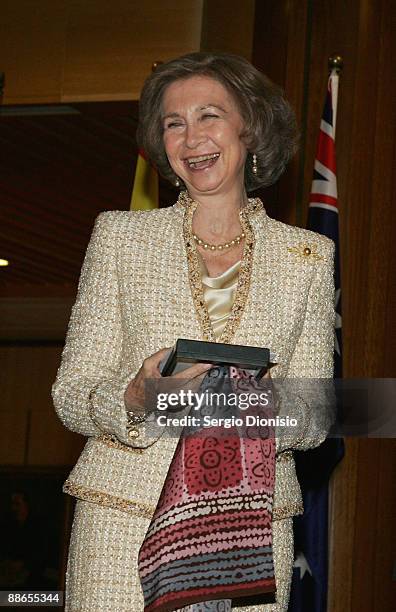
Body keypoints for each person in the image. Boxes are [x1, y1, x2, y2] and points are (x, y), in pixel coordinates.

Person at [52, 52, 335, 611]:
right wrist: (137, 397)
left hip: (249, 533)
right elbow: (71, 393)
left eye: (209, 116)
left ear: (248, 127)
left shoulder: (308, 256)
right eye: (173, 123)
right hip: (123, 523)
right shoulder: (120, 238)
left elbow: (317, 414)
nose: (191, 137)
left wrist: (249, 407)